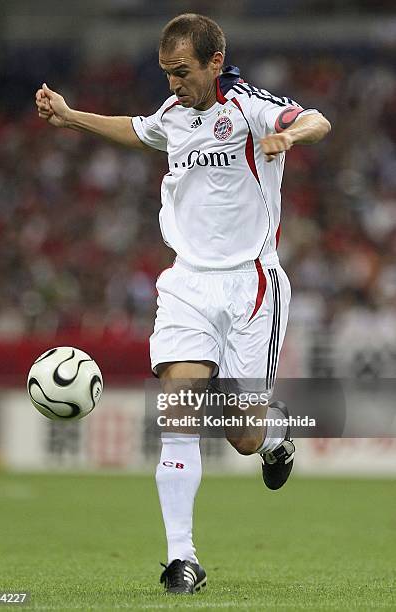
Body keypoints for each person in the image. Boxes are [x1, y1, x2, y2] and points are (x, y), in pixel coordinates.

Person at [36, 13, 331, 595]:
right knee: (179, 417)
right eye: (166, 72)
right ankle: (182, 559)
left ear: (214, 62)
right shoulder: (174, 114)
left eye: (181, 71)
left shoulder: (247, 105)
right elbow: (139, 128)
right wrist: (71, 118)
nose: (172, 83)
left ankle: (273, 439)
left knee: (241, 433)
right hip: (187, 284)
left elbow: (317, 119)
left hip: (251, 286)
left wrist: (287, 137)